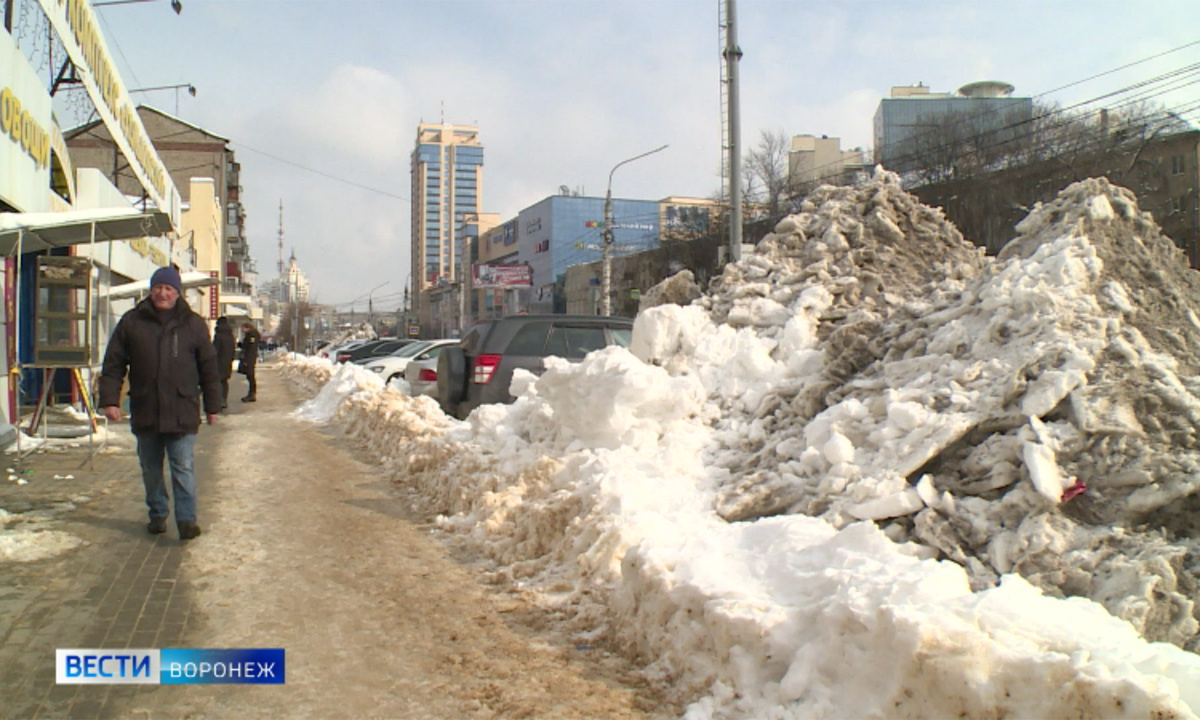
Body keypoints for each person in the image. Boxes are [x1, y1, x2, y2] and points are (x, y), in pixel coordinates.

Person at [99, 266, 221, 541]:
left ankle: (187, 520)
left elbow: (209, 368)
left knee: (183, 466)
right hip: (146, 408)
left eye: (168, 289)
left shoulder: (193, 324)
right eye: (158, 288)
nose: (162, 293)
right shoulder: (132, 322)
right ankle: (157, 512)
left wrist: (213, 406)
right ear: (151, 290)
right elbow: (114, 363)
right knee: (150, 468)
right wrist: (110, 400)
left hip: (182, 409)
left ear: (177, 293)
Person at [212, 316, 235, 409]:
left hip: (218, 360)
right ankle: (223, 399)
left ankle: (218, 400)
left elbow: (215, 349)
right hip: (227, 360)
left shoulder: (218, 335)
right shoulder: (230, 335)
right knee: (224, 381)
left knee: (217, 381)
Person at [238, 321, 261, 402]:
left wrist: (247, 360)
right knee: (249, 376)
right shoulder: (249, 335)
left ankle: (252, 394)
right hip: (249, 358)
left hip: (250, 358)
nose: (242, 330)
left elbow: (251, 348)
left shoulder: (252, 335)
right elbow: (247, 346)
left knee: (250, 376)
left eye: (243, 328)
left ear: (247, 327)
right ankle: (251, 393)